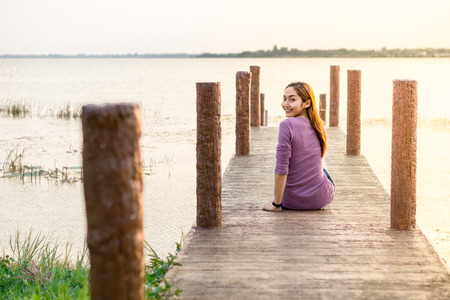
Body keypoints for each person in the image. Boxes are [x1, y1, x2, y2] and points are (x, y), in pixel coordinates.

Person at [262, 82, 335, 212]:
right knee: (322, 165)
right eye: (284, 99)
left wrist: (277, 204)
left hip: (290, 202)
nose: (286, 104)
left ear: (307, 103)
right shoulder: (318, 125)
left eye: (292, 99)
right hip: (320, 199)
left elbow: (281, 167)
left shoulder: (286, 125)